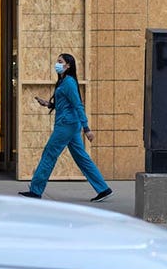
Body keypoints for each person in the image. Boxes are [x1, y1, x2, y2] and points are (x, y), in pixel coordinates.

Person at [19, 53, 113, 202]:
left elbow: (77, 105)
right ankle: (103, 189)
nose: (57, 63)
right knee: (81, 157)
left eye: (60, 61)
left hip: (66, 125)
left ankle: (36, 190)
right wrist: (48, 104)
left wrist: (87, 128)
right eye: (57, 61)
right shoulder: (63, 82)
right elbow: (65, 104)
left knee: (49, 153)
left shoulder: (69, 82)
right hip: (70, 124)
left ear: (68, 65)